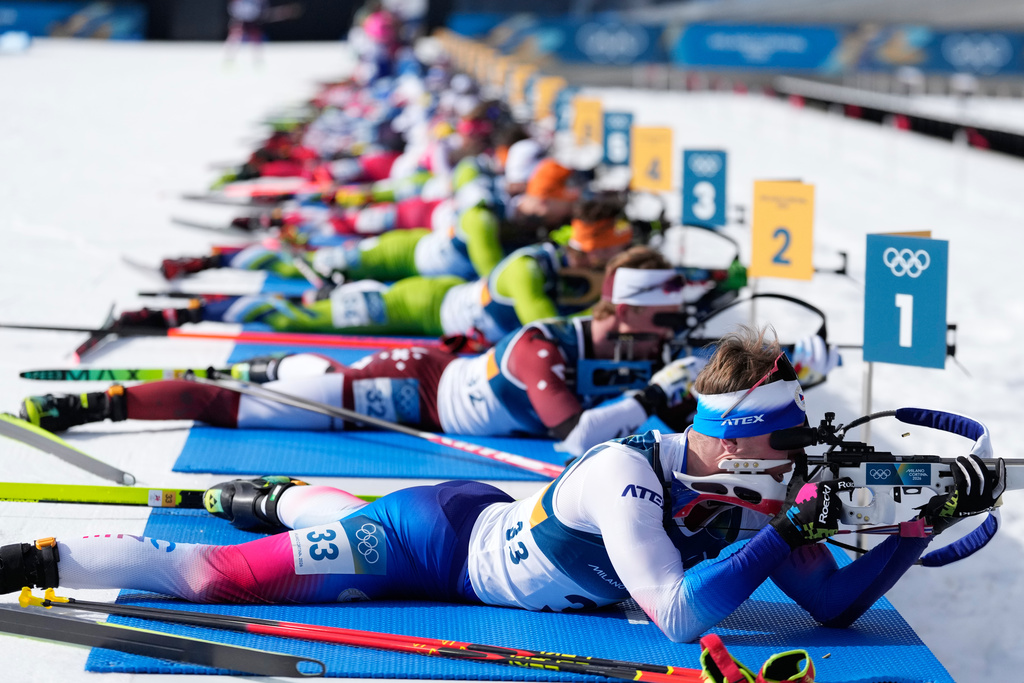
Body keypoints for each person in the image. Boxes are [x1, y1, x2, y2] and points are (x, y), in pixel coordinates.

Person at [1, 326, 1002, 643]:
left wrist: (917, 524)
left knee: (308, 532)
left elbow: (829, 605)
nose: (795, 473)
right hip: (429, 541)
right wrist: (792, 530)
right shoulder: (624, 475)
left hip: (479, 524)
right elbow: (677, 613)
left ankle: (276, 491)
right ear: (735, 444)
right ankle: (29, 559)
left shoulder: (747, 492)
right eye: (782, 451)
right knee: (217, 580)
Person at [19, 247, 694, 459]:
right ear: (629, 309)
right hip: (406, 391)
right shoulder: (546, 344)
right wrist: (655, 397)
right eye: (664, 318)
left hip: (439, 374)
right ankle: (93, 401)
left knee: (269, 380)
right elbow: (573, 436)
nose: (671, 332)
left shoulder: (613, 342)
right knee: (234, 401)